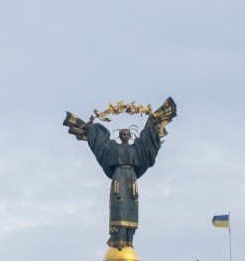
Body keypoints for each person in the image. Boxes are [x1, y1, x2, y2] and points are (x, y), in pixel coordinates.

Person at [65, 98, 176, 249]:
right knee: (118, 208)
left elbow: (146, 144)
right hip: (118, 179)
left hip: (131, 180)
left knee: (130, 208)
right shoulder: (113, 149)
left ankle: (129, 241)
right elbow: (101, 145)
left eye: (127, 134)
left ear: (130, 136)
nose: (125, 136)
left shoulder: (136, 150)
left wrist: (152, 124)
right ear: (120, 136)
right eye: (123, 134)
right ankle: (117, 240)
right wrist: (91, 129)